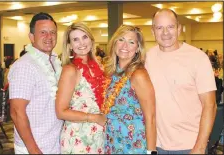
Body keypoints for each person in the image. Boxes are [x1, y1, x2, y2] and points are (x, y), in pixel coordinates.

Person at [145, 8, 217, 154]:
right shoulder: (148, 57)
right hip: (156, 145)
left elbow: (210, 105)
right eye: (159, 27)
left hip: (189, 146)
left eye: (171, 27)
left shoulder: (198, 58)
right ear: (153, 31)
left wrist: (200, 147)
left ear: (179, 29)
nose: (165, 33)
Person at [8, 12, 63, 154]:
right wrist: (33, 149)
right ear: (31, 37)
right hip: (35, 147)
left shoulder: (55, 62)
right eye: (43, 32)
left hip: (54, 144)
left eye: (52, 32)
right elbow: (16, 111)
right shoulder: (25, 66)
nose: (49, 37)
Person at [102, 25, 157, 154]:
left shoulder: (138, 74)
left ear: (137, 48)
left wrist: (151, 152)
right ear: (115, 42)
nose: (124, 46)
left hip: (133, 146)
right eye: (121, 40)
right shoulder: (110, 73)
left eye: (131, 42)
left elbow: (151, 117)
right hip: (112, 143)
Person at [55, 22, 106, 154]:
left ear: (91, 39)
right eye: (75, 39)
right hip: (78, 140)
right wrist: (94, 118)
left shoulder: (100, 67)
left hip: (99, 138)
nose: (81, 43)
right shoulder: (70, 70)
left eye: (84, 37)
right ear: (70, 45)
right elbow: (61, 112)